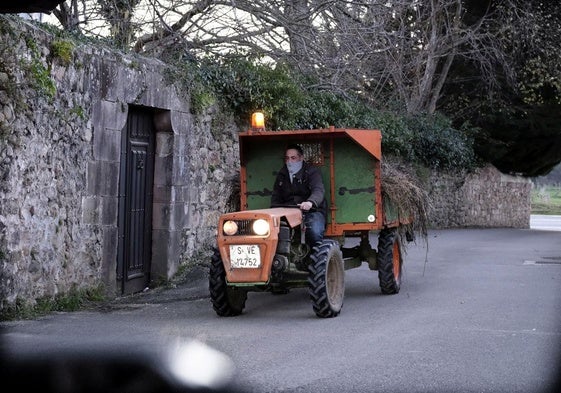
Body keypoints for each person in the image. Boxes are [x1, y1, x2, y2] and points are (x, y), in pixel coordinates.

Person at [271, 144, 327, 246]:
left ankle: (315, 255)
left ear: (301, 158)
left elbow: (318, 190)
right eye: (287, 158)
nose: (290, 161)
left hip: (312, 211)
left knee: (314, 233)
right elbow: (276, 196)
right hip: (288, 212)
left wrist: (310, 202)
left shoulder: (312, 171)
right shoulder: (282, 174)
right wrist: (274, 210)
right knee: (272, 233)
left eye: (293, 158)